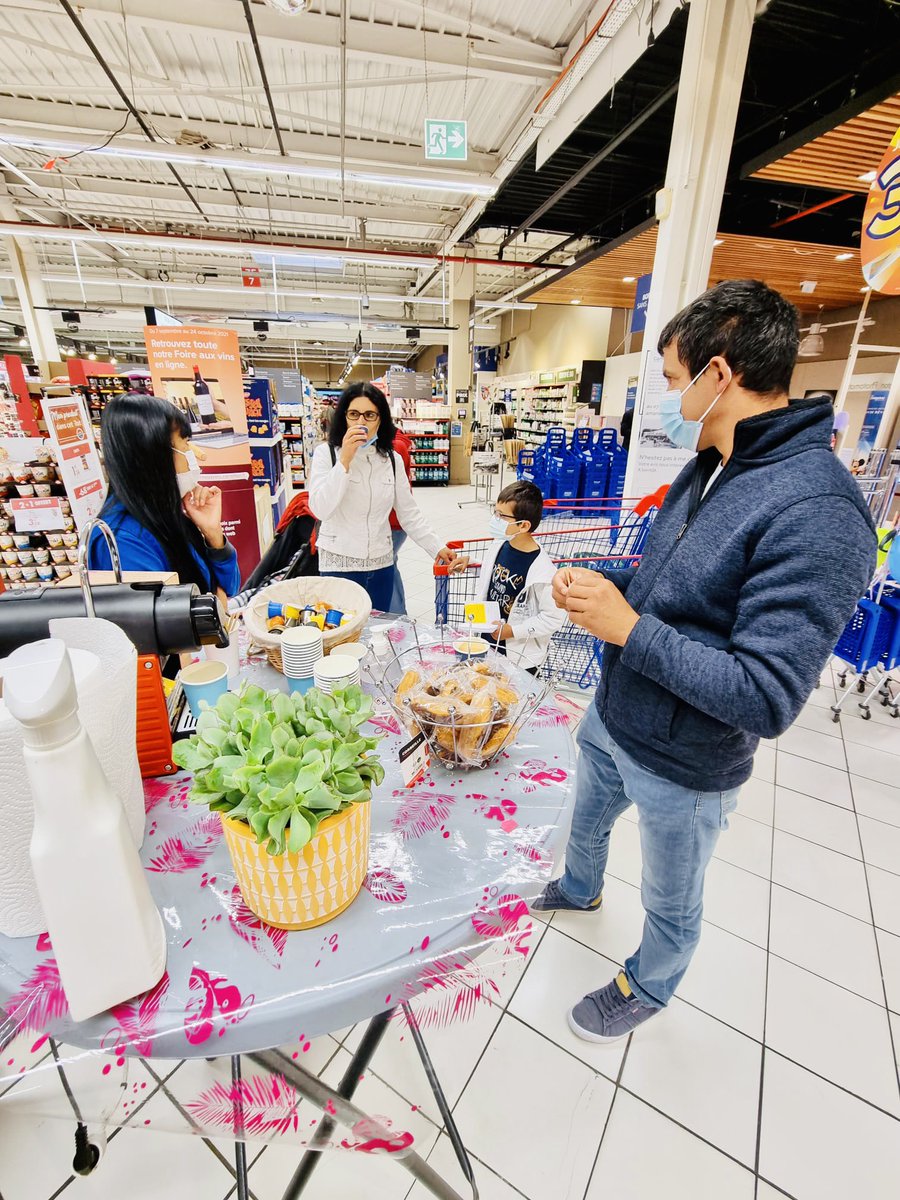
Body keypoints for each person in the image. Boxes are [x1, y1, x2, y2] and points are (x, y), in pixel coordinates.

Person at [533, 279, 877, 1042]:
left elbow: (766, 695)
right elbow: (669, 587)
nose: (664, 397)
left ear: (718, 374)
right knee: (584, 821)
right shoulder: (712, 461)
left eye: (668, 378)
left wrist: (626, 630)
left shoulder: (818, 513)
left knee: (671, 894)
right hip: (615, 715)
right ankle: (581, 888)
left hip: (686, 765)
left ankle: (651, 982)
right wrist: (605, 587)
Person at [308, 382, 459, 610]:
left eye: (369, 415)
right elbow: (320, 508)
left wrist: (437, 547)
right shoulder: (326, 455)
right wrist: (345, 461)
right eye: (354, 414)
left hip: (381, 565)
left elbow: (409, 514)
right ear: (344, 417)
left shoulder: (391, 460)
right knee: (341, 637)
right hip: (339, 565)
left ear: (380, 419)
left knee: (378, 636)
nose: (361, 422)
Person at [88, 392, 241, 598]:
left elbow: (229, 589)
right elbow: (165, 621)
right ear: (154, 456)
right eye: (185, 444)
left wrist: (213, 535)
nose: (193, 458)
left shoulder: (165, 514)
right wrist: (216, 601)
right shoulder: (123, 541)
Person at [476, 481, 566, 673]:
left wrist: (512, 631)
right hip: (489, 638)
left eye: (501, 516)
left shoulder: (544, 573)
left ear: (524, 525)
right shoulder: (501, 544)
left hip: (519, 655)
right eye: (495, 512)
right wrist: (470, 563)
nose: (495, 519)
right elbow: (497, 573)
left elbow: (552, 618)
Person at [388, 418, 414, 614]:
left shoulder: (395, 447)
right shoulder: (398, 442)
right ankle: (397, 614)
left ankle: (398, 615)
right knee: (390, 564)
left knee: (388, 567)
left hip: (394, 521)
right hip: (393, 521)